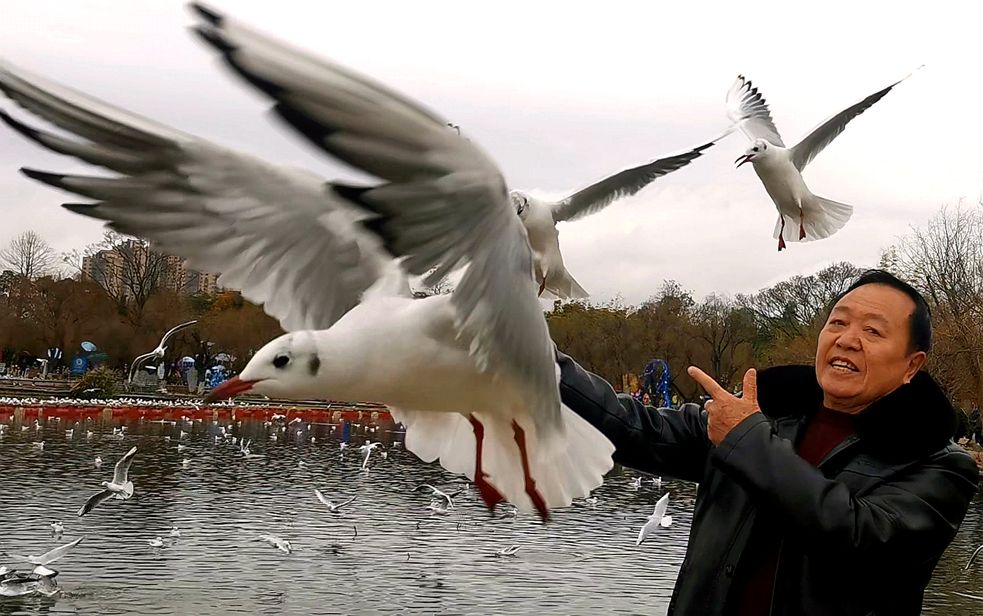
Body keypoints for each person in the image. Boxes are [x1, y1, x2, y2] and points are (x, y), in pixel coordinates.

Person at [558, 270, 979, 615]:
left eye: (873, 330)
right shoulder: (765, 413)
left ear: (912, 365)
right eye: (838, 322)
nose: (847, 339)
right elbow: (634, 427)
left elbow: (860, 541)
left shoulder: (938, 465)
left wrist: (747, 441)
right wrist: (539, 361)